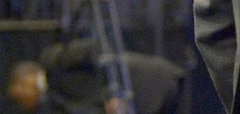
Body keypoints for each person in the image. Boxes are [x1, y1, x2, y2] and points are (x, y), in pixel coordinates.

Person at [5, 41, 185, 114]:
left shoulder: (52, 59)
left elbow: (94, 50)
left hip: (148, 82)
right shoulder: (53, 103)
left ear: (24, 81)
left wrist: (114, 94)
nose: (23, 104)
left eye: (19, 97)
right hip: (143, 105)